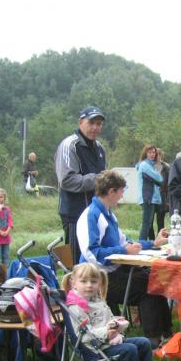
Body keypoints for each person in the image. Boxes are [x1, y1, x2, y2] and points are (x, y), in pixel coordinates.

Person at [77, 170, 172, 345]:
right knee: (146, 288)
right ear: (111, 191)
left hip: (114, 271)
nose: (122, 196)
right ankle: (152, 340)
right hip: (98, 278)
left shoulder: (108, 214)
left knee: (154, 280)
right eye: (121, 191)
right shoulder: (91, 215)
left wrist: (153, 243)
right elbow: (91, 252)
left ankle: (167, 334)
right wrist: (123, 250)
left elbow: (126, 243)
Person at [63, 262, 157, 361]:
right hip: (95, 348)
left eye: (93, 281)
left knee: (144, 342)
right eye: (83, 281)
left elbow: (104, 320)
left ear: (99, 283)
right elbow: (82, 335)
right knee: (129, 349)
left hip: (110, 342)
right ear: (73, 283)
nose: (89, 285)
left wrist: (116, 322)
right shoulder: (76, 307)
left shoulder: (97, 300)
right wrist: (106, 333)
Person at [55, 106, 107, 265]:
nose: (95, 127)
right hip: (75, 213)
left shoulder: (99, 148)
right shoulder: (69, 145)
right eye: (91, 123)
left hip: (96, 213)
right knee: (77, 264)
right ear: (80, 122)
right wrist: (99, 179)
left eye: (99, 124)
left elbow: (102, 179)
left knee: (95, 261)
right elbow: (67, 180)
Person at [136, 144, 164, 240]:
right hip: (148, 198)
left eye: (154, 152)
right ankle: (141, 243)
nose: (152, 154)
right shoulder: (145, 165)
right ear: (145, 153)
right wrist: (158, 173)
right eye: (149, 152)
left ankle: (148, 243)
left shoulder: (151, 165)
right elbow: (159, 179)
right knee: (146, 223)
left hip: (152, 198)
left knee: (148, 223)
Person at [154, 149, 170, 238]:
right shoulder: (149, 166)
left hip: (162, 196)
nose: (157, 157)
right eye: (155, 155)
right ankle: (152, 240)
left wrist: (168, 199)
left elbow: (168, 184)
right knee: (149, 222)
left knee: (160, 220)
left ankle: (161, 238)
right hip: (152, 196)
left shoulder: (166, 167)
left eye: (158, 155)